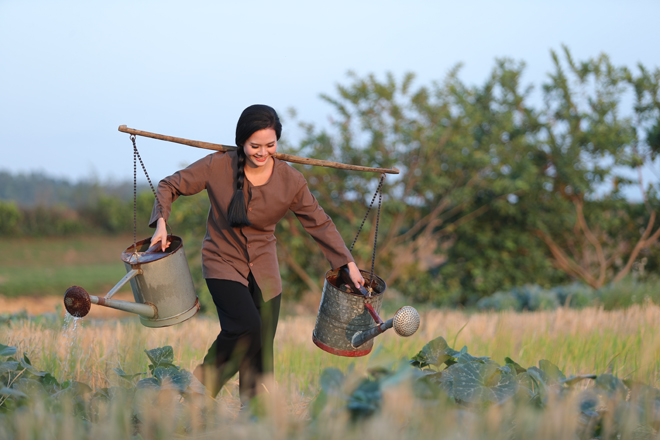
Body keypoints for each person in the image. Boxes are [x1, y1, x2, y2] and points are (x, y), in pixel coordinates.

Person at [148, 104, 364, 403]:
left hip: (264, 269)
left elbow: (319, 222)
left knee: (261, 345)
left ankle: (255, 416)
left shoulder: (290, 181)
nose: (263, 153)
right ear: (242, 142)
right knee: (246, 328)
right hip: (222, 262)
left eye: (270, 145)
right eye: (255, 146)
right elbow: (169, 185)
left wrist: (347, 263)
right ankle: (198, 392)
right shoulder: (217, 166)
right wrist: (161, 222)